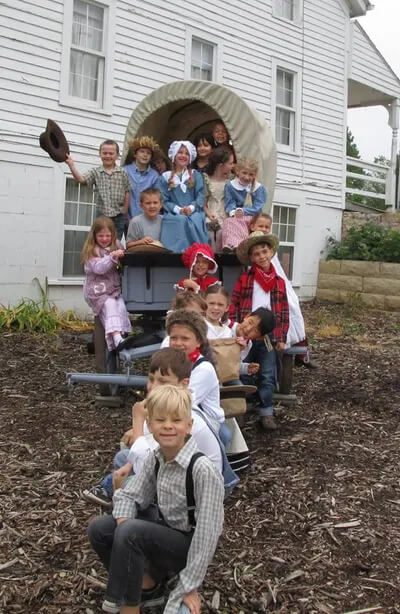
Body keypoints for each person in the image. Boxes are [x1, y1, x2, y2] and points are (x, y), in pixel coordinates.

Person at [87, 385, 224, 614]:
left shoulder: (201, 469)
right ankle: (147, 586)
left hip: (188, 546)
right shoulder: (157, 458)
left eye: (176, 420)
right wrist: (123, 524)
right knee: (99, 529)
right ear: (150, 426)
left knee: (130, 532)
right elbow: (131, 494)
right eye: (160, 420)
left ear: (188, 426)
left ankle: (129, 606)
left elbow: (207, 535)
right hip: (164, 534)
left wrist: (189, 585)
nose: (168, 426)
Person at [83, 348, 224, 508]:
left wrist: (137, 420)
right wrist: (130, 464)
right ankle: (117, 494)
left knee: (128, 464)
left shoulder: (185, 417)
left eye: (163, 382)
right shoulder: (169, 407)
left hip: (197, 494)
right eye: (151, 379)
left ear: (184, 384)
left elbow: (146, 463)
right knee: (124, 457)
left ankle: (122, 499)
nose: (153, 387)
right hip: (179, 476)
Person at [229, 232, 289, 431]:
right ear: (251, 258)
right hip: (246, 332)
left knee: (267, 373)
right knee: (244, 370)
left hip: (268, 335)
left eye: (264, 251)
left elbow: (283, 310)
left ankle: (266, 411)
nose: (261, 256)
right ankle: (243, 408)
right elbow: (234, 302)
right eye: (256, 254)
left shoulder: (279, 281)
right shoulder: (246, 278)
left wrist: (281, 336)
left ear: (271, 252)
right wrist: (233, 325)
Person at [249, 213, 314, 367]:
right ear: (252, 226)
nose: (264, 229)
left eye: (267, 227)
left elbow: (277, 270)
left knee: (292, 303)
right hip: (257, 283)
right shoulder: (250, 246)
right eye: (261, 226)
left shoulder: (269, 247)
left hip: (276, 281)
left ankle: (298, 346)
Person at [81, 216, 132, 352]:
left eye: (108, 235)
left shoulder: (116, 246)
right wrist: (112, 257)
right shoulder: (92, 251)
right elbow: (99, 268)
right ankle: (115, 337)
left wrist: (121, 257)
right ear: (94, 236)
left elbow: (122, 264)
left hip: (112, 288)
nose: (104, 239)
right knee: (109, 305)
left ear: (113, 235)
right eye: (101, 236)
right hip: (97, 290)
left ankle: (121, 335)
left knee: (120, 305)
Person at [65, 140, 130, 240]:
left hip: (119, 215)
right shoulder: (95, 172)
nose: (108, 156)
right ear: (100, 154)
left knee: (116, 242)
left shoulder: (123, 172)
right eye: (104, 153)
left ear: (117, 156)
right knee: (101, 241)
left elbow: (127, 190)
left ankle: (113, 256)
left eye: (111, 153)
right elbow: (81, 179)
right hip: (102, 214)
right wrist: (71, 165)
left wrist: (125, 209)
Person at [158, 141, 208, 252]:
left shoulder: (196, 175)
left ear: (190, 158)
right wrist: (178, 209)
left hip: (194, 211)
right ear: (174, 155)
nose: (183, 155)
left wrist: (191, 207)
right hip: (173, 212)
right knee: (179, 220)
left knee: (194, 220)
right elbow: (163, 199)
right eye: (180, 152)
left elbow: (201, 195)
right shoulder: (165, 177)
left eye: (186, 153)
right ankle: (176, 252)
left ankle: (196, 251)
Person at [221, 158, 267, 251]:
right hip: (237, 214)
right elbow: (230, 202)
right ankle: (231, 244)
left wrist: (243, 211)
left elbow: (258, 206)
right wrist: (233, 212)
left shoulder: (258, 188)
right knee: (229, 221)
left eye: (251, 174)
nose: (247, 177)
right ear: (238, 171)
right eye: (244, 173)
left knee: (241, 221)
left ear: (255, 175)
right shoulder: (230, 186)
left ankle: (240, 244)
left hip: (252, 215)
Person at [203, 146, 235, 251]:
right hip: (210, 212)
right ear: (221, 165)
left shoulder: (231, 180)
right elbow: (203, 202)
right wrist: (209, 214)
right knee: (210, 232)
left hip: (225, 212)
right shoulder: (207, 179)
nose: (232, 166)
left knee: (224, 231)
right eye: (230, 163)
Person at [124, 136, 160, 218]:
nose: (145, 155)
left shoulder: (154, 175)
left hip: (146, 218)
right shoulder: (125, 171)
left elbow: (156, 198)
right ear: (135, 154)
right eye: (142, 151)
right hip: (126, 217)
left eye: (148, 153)